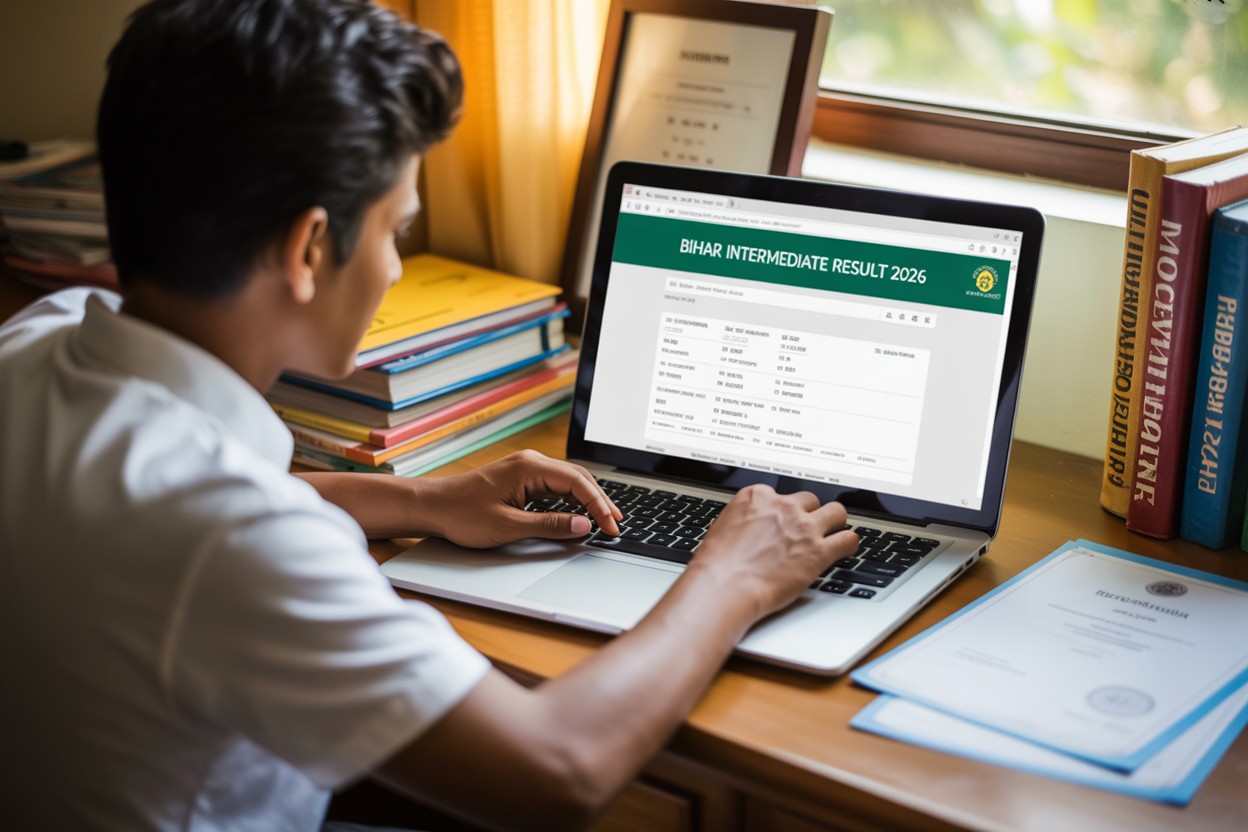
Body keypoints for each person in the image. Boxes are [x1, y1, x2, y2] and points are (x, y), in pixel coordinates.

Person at [0, 1, 858, 830]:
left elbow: (162, 506)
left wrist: (420, 500)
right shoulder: (233, 540)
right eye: (394, 231)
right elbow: (556, 773)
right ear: (307, 248)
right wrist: (732, 577)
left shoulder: (37, 340)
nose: (394, 270)